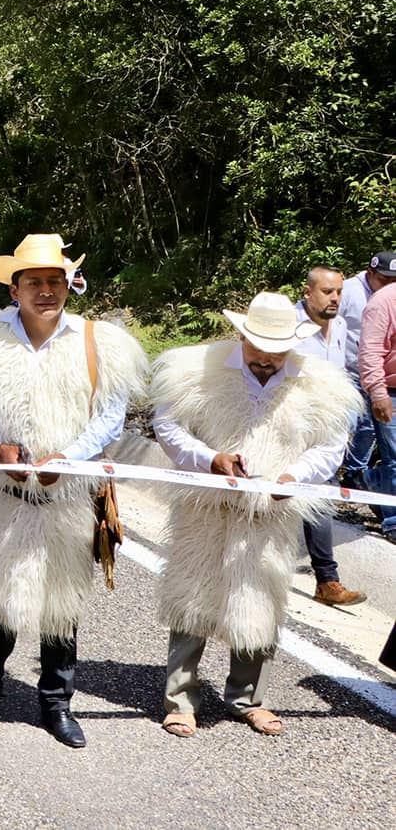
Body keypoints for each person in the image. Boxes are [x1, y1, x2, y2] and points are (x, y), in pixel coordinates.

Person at [0, 234, 148, 748]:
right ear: (15, 288)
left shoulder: (97, 343)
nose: (46, 291)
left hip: (65, 501)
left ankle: (56, 704)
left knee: (61, 608)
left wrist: (69, 460)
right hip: (0, 500)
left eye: (55, 281)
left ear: (69, 284)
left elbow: (109, 416)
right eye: (35, 282)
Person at [151, 292, 361, 738]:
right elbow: (167, 425)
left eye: (275, 350)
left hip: (270, 515)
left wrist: (295, 476)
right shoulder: (198, 372)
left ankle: (247, 698)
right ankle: (180, 699)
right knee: (192, 597)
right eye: (256, 347)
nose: (265, 357)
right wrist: (209, 459)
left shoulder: (320, 387)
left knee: (261, 598)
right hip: (205, 508)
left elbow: (331, 444)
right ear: (241, 335)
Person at [292, 267, 366, 606]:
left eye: (338, 292)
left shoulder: (342, 329)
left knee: (319, 502)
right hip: (288, 430)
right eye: (327, 292)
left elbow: (346, 377)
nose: (334, 298)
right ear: (308, 292)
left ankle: (327, 580)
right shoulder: (288, 328)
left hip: (325, 435)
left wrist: (347, 419)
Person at [339, 251, 395, 488]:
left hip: (375, 375)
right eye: (383, 280)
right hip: (347, 372)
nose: (388, 285)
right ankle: (332, 471)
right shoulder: (348, 292)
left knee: (368, 429)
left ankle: (357, 473)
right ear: (370, 273)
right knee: (345, 424)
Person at [358, 274, 396, 541]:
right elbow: (370, 351)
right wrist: (378, 393)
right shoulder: (384, 302)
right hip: (390, 390)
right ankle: (393, 521)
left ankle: (373, 480)